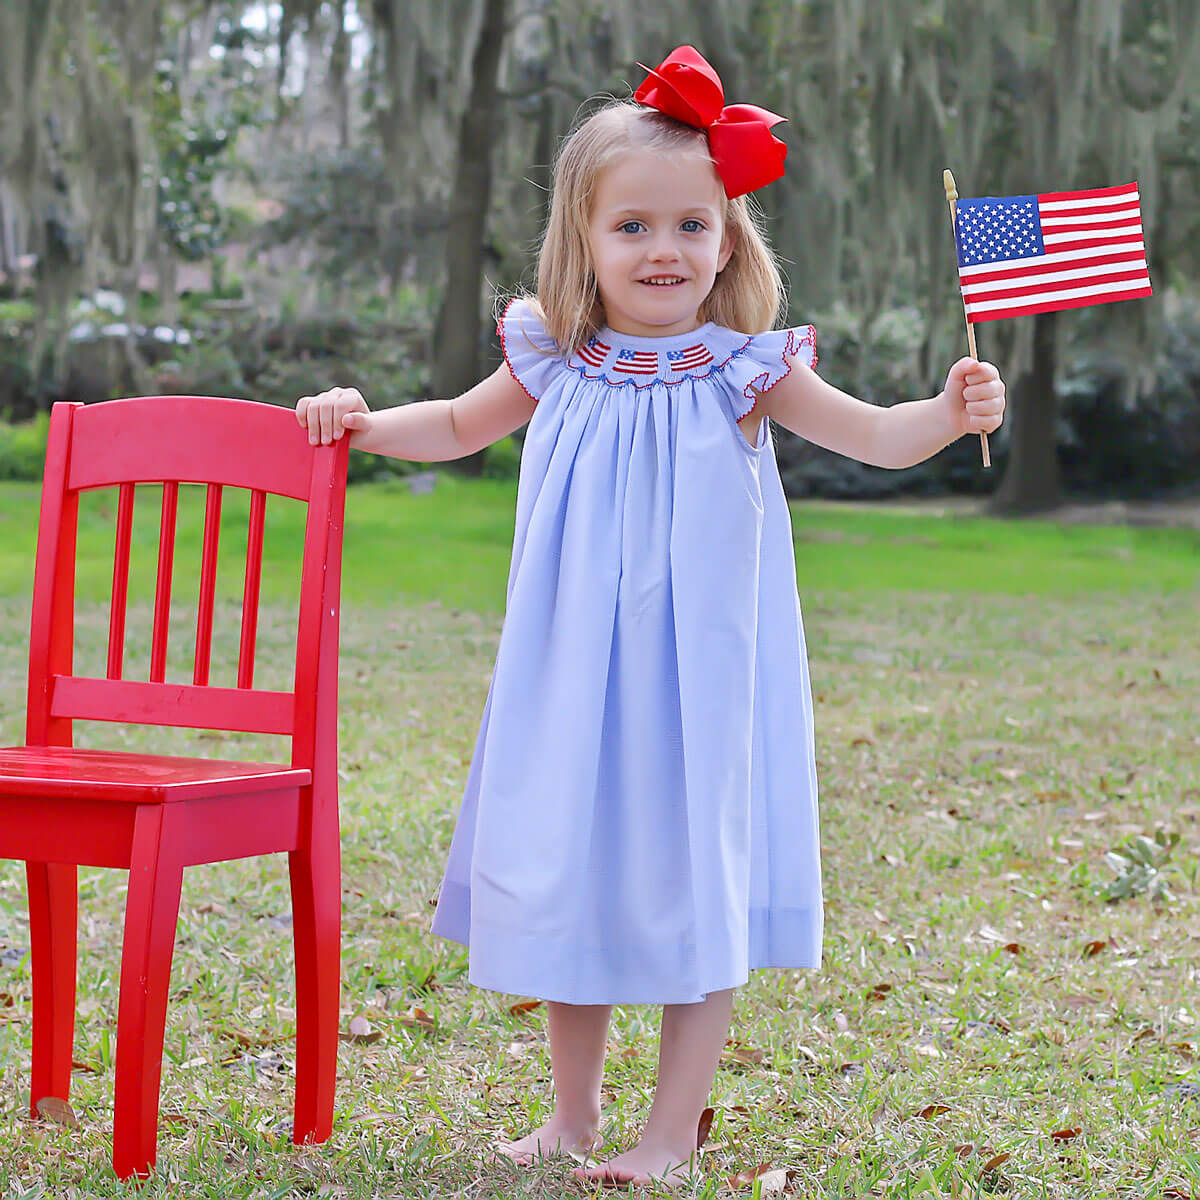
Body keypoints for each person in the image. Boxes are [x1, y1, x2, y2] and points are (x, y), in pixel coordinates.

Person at [295, 45, 1006, 1191]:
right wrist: (363, 423)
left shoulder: (745, 369)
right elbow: (455, 427)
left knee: (689, 865)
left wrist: (946, 407)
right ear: (582, 241)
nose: (664, 249)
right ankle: (572, 1114)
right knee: (569, 854)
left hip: (701, 669)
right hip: (572, 662)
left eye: (691, 225)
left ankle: (669, 1134)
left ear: (730, 238)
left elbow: (875, 435)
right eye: (632, 228)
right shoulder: (554, 359)